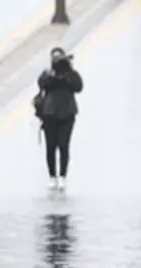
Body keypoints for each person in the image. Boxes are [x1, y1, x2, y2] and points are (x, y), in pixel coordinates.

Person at [37, 47, 83, 190]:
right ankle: (52, 176)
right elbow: (41, 84)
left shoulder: (71, 73)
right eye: (54, 58)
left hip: (67, 113)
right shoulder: (47, 73)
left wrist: (68, 73)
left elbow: (78, 87)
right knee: (50, 147)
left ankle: (63, 176)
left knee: (63, 145)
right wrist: (52, 76)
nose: (56, 60)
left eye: (59, 57)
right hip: (49, 114)